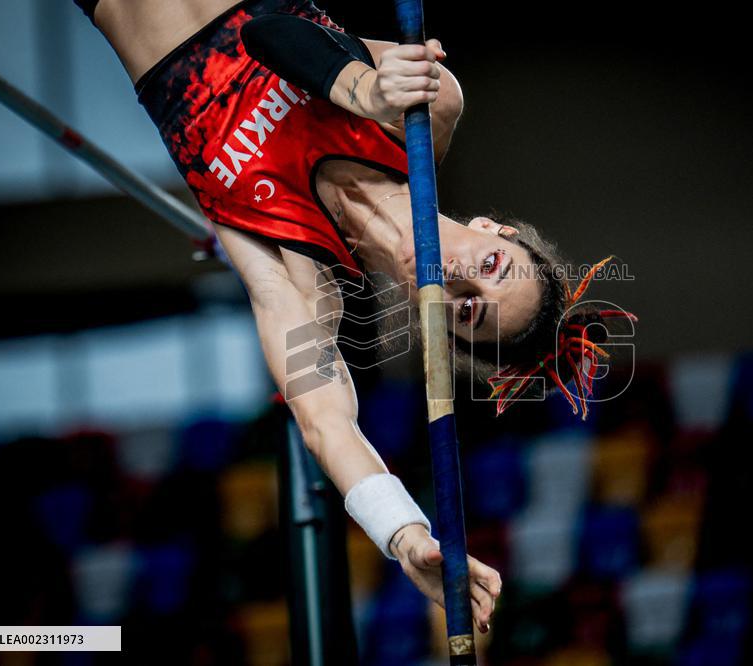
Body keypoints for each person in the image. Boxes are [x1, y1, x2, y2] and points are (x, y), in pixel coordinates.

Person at [76, 0, 619, 636]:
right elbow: (271, 33)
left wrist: (405, 535)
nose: (460, 278)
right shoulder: (426, 116)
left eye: (467, 310)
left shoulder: (302, 279)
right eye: (494, 263)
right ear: (490, 228)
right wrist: (367, 89)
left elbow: (326, 423)